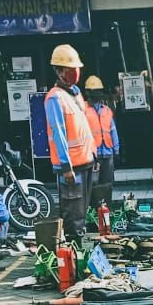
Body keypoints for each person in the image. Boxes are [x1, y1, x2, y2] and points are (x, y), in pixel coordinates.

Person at [44, 44, 95, 239]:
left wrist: (93, 155)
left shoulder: (75, 94)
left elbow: (84, 128)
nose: (75, 73)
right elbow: (59, 133)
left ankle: (78, 252)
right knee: (73, 214)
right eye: (70, 69)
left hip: (86, 161)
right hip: (72, 167)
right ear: (58, 71)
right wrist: (66, 167)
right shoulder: (54, 98)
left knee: (82, 211)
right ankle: (74, 257)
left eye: (77, 69)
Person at [82, 75, 119, 209]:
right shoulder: (83, 110)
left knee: (107, 183)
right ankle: (93, 210)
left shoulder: (107, 110)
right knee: (92, 184)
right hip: (93, 155)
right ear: (87, 92)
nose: (96, 93)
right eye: (93, 91)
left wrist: (116, 149)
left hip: (107, 152)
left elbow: (113, 130)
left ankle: (106, 209)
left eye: (98, 90)